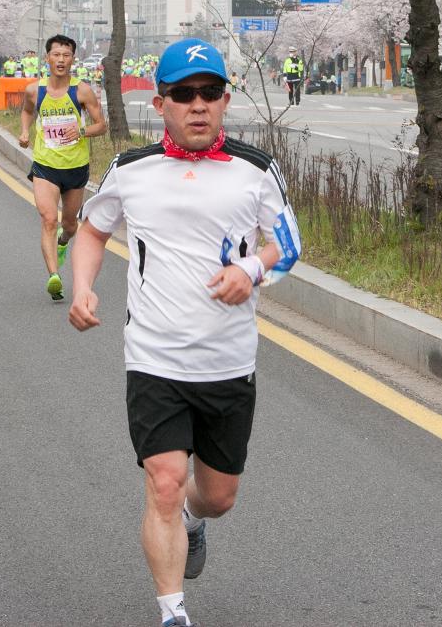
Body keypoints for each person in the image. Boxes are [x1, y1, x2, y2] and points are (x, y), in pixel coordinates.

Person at [68, 37, 301, 627]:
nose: (198, 104)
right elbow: (93, 230)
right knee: (165, 483)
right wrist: (84, 287)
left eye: (210, 92)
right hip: (154, 359)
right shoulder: (132, 169)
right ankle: (173, 612)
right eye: (183, 93)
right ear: (161, 102)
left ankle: (197, 523)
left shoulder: (255, 169)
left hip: (227, 363)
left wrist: (250, 270)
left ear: (225, 99)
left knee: (216, 497)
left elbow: (289, 244)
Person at [18, 34, 107, 300]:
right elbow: (25, 111)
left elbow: (101, 125)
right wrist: (24, 132)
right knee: (48, 219)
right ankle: (54, 277)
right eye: (56, 55)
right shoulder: (35, 90)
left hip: (76, 166)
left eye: (66, 55)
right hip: (45, 164)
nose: (61, 60)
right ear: (47, 58)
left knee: (69, 225)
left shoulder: (81, 91)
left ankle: (63, 242)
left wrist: (80, 131)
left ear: (72, 59)